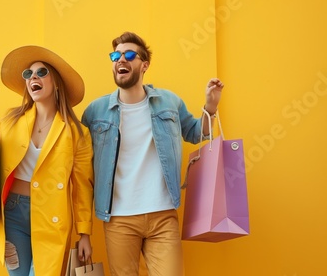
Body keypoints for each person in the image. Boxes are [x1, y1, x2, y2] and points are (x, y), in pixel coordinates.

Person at [81, 31, 224, 276]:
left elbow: (197, 133)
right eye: (115, 55)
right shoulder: (96, 111)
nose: (120, 60)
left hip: (163, 215)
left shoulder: (169, 102)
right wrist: (83, 232)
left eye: (128, 54)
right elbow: (81, 167)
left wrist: (211, 106)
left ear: (144, 65)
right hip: (118, 218)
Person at [0, 45, 94, 276]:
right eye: (28, 74)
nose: (32, 77)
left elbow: (82, 188)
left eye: (41, 72)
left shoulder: (77, 133)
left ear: (56, 82)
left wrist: (85, 233)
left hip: (53, 218)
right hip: (14, 214)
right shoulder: (12, 122)